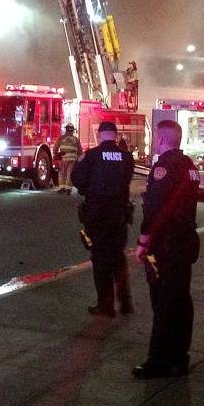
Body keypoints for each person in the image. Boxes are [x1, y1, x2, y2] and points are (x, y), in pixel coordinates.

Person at [133, 119, 201, 379]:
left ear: (160, 139)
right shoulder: (189, 166)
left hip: (167, 245)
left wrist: (143, 241)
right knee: (182, 300)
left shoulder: (163, 167)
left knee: (163, 302)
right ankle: (179, 358)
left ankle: (158, 361)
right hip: (186, 242)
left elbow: (155, 208)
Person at [72, 120, 134, 317]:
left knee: (100, 259)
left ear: (100, 135)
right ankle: (125, 302)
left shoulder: (92, 156)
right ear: (115, 136)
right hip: (120, 216)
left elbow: (77, 179)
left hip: (98, 216)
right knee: (118, 256)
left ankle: (105, 306)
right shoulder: (126, 157)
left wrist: (88, 189)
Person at [53, 123, 83, 195]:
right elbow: (79, 151)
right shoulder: (75, 139)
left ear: (66, 130)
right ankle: (68, 189)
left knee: (62, 173)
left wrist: (56, 154)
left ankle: (62, 188)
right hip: (73, 159)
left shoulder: (61, 138)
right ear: (72, 131)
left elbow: (55, 148)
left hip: (63, 159)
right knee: (69, 173)